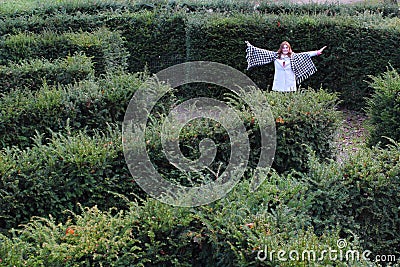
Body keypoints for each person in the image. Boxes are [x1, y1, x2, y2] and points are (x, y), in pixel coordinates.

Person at [245, 41, 327, 92]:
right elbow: (262, 52)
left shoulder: (293, 57)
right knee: (279, 97)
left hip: (290, 81)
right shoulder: (275, 56)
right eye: (283, 48)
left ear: (289, 48)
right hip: (279, 81)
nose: (285, 49)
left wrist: (317, 52)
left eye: (286, 48)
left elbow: (305, 54)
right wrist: (250, 47)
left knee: (290, 98)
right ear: (281, 49)